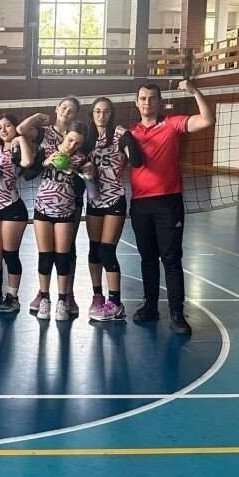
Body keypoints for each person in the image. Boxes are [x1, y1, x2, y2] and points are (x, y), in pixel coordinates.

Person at [130, 81, 215, 334]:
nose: (147, 102)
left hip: (168, 202)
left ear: (159, 102)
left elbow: (207, 120)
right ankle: (150, 307)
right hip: (140, 203)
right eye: (143, 98)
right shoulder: (130, 133)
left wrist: (195, 91)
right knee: (147, 258)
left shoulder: (172, 124)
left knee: (171, 258)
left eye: (152, 98)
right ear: (137, 103)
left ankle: (177, 313)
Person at [17, 96, 81, 315]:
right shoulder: (45, 133)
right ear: (57, 108)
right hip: (45, 201)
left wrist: (75, 173)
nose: (66, 112)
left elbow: (86, 177)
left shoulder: (77, 138)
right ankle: (43, 295)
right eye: (64, 108)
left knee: (67, 250)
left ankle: (66, 296)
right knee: (46, 254)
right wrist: (38, 116)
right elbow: (21, 130)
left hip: (70, 202)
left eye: (71, 110)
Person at [84, 98, 143, 322]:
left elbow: (136, 161)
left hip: (114, 199)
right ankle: (97, 296)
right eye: (98, 111)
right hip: (94, 200)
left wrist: (127, 134)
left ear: (112, 114)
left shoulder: (120, 137)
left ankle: (116, 303)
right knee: (94, 250)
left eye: (106, 112)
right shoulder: (87, 140)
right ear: (92, 114)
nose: (102, 115)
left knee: (107, 251)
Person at [29, 122, 91, 321]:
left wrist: (71, 172)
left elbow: (86, 189)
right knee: (45, 257)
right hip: (42, 211)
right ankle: (44, 298)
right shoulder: (47, 150)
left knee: (63, 257)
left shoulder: (82, 159)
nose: (72, 145)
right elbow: (28, 175)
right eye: (70, 139)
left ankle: (62, 301)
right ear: (65, 134)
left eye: (77, 143)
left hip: (65, 213)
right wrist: (44, 162)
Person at [0, 114, 36, 314]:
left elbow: (27, 162)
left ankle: (13, 297)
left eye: (7, 126)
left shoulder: (19, 149)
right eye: (0, 127)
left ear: (16, 127)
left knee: (10, 254)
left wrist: (21, 138)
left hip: (12, 207)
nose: (3, 130)